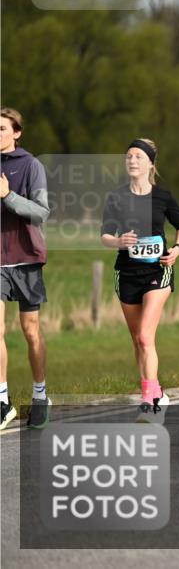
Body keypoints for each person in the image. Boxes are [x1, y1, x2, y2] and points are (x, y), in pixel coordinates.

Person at [101, 139, 179, 423]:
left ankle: (150, 402)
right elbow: (105, 234)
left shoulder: (162, 196)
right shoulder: (116, 197)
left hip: (157, 272)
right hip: (127, 273)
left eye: (138, 156)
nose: (132, 161)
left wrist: (177, 249)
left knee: (144, 336)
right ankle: (155, 391)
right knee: (137, 340)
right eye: (129, 156)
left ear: (150, 163)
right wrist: (118, 241)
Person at [0, 107, 51, 430]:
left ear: (16, 133)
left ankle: (40, 394)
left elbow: (41, 212)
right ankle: (2, 401)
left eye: (2, 128)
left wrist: (8, 195)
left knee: (30, 331)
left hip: (26, 258)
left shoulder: (31, 165)